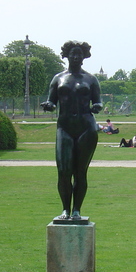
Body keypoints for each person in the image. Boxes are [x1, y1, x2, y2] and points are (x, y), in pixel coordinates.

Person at [40, 40, 102, 220]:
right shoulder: (58, 78)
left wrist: (97, 106)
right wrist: (49, 105)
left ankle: (77, 210)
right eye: (73, 53)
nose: (76, 57)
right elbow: (52, 100)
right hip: (65, 127)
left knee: (80, 171)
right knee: (64, 170)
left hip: (86, 127)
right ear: (67, 55)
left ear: (84, 57)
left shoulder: (91, 79)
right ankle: (65, 209)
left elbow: (97, 100)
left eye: (79, 54)